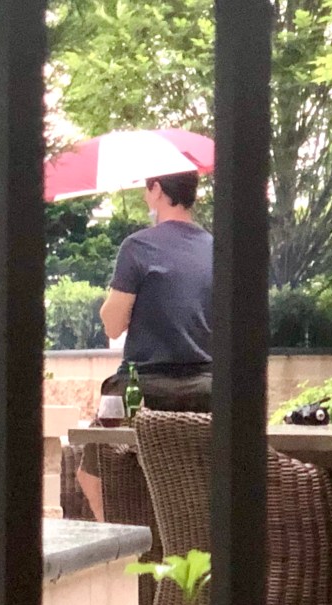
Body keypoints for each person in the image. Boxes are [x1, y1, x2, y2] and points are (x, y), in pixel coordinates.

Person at [77, 170, 213, 521]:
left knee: (91, 476)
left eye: (146, 188)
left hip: (142, 392)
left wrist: (108, 307)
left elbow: (113, 324)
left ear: (157, 190)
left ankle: (125, 543)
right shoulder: (217, 249)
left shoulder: (137, 247)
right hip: (208, 393)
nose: (143, 195)